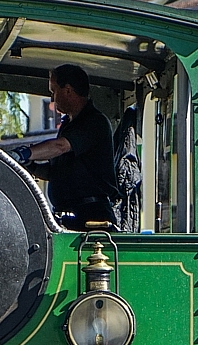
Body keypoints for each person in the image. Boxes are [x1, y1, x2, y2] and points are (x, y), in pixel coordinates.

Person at [11, 64, 119, 231]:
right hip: (70, 215)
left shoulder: (94, 122)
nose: (52, 99)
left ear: (68, 90)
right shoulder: (69, 124)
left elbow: (60, 146)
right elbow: (56, 172)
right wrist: (29, 166)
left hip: (92, 216)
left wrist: (24, 153)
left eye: (53, 91)